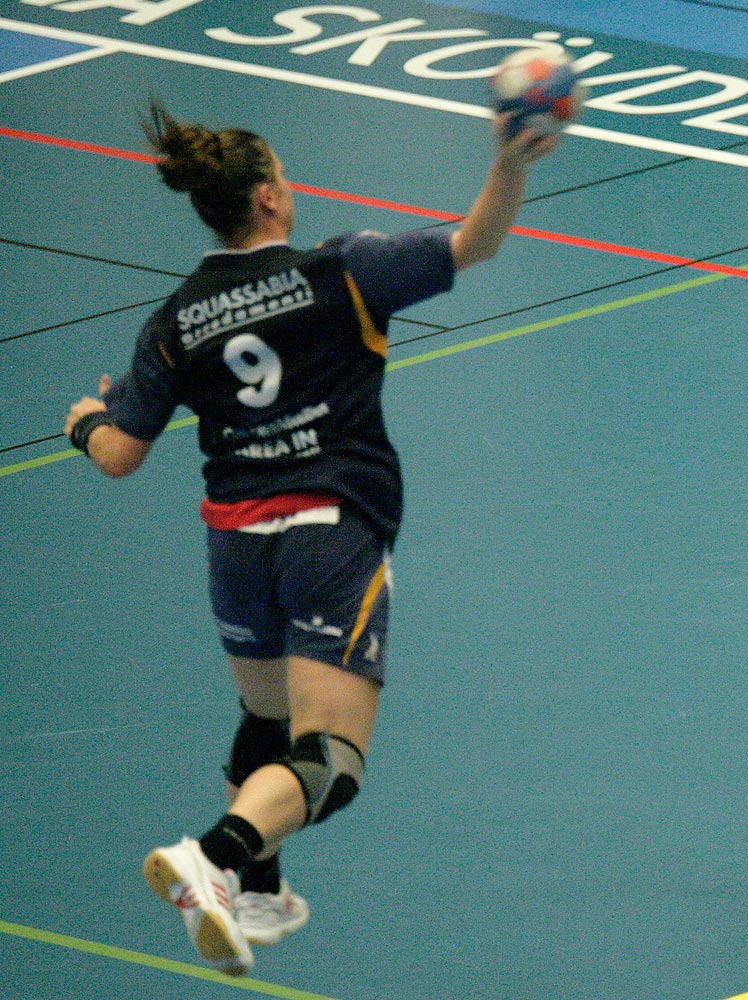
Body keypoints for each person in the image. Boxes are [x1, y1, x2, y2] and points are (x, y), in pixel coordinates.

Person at [63, 101, 559, 975]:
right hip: (329, 534)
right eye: (285, 179)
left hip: (235, 547)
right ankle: (211, 862)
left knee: (266, 717)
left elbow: (118, 455)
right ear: (268, 200)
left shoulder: (175, 321)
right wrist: (512, 160)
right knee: (332, 762)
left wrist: (86, 421)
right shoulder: (344, 271)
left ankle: (258, 894)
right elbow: (475, 242)